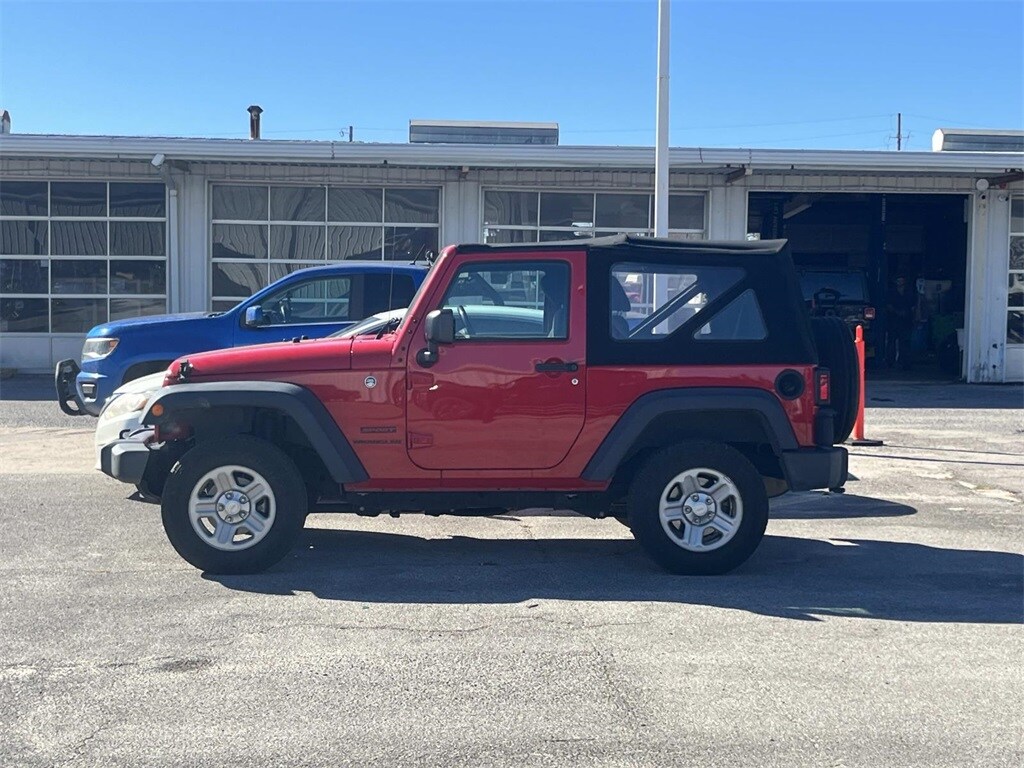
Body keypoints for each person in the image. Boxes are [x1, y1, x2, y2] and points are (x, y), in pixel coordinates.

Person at [885, 276, 917, 369]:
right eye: (898, 280)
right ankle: (889, 362)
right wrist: (897, 312)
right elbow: (888, 305)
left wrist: (914, 317)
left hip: (906, 321)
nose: (900, 282)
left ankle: (905, 362)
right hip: (893, 321)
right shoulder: (891, 292)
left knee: (905, 342)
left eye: (902, 280)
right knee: (891, 342)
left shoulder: (909, 293)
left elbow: (914, 306)